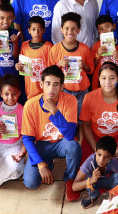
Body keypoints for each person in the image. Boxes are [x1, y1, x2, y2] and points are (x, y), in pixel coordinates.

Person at [21, 65, 81, 201]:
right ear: (41, 84)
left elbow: (71, 135)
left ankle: (70, 180)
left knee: (73, 146)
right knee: (30, 183)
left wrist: (55, 111)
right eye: (48, 84)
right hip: (42, 144)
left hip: (62, 142)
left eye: (56, 85)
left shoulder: (70, 100)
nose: (51, 89)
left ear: (62, 87)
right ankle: (48, 162)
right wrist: (41, 164)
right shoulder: (30, 105)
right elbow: (27, 139)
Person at [80, 62, 118, 167]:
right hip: (94, 139)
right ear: (98, 79)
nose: (107, 82)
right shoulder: (89, 97)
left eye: (112, 78)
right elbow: (85, 125)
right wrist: (96, 149)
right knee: (90, 169)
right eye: (103, 78)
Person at [48, 12, 93, 118]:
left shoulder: (84, 48)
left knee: (82, 120)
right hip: (63, 91)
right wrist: (58, 64)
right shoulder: (55, 49)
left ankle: (80, 134)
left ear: (79, 30)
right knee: (66, 119)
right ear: (61, 29)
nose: (70, 32)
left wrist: (84, 66)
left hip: (82, 91)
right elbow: (49, 72)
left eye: (73, 29)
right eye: (67, 28)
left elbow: (90, 69)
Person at [0, 74, 26, 187]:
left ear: (19, 93)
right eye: (6, 94)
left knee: (15, 168)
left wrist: (21, 152)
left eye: (14, 94)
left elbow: (27, 135)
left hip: (15, 146)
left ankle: (17, 165)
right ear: (1, 94)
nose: (10, 97)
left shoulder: (22, 111)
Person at [72, 135, 118, 208]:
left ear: (112, 156)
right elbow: (74, 187)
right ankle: (94, 195)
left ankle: (113, 194)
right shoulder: (89, 162)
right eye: (99, 155)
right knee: (85, 176)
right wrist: (91, 180)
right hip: (94, 183)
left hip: (109, 182)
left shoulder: (113, 163)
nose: (101, 160)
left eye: (106, 157)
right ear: (95, 150)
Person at [16, 16, 53, 99]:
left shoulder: (49, 47)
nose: (36, 32)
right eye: (33, 29)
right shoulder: (24, 46)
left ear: (44, 30)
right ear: (29, 30)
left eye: (39, 29)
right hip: (31, 89)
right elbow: (22, 66)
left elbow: (52, 69)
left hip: (45, 90)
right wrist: (19, 67)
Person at [91, 15, 118, 90]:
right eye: (101, 29)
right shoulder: (96, 46)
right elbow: (92, 67)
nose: (105, 31)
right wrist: (98, 55)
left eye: (107, 27)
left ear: (114, 26)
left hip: (116, 82)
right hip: (99, 83)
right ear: (98, 31)